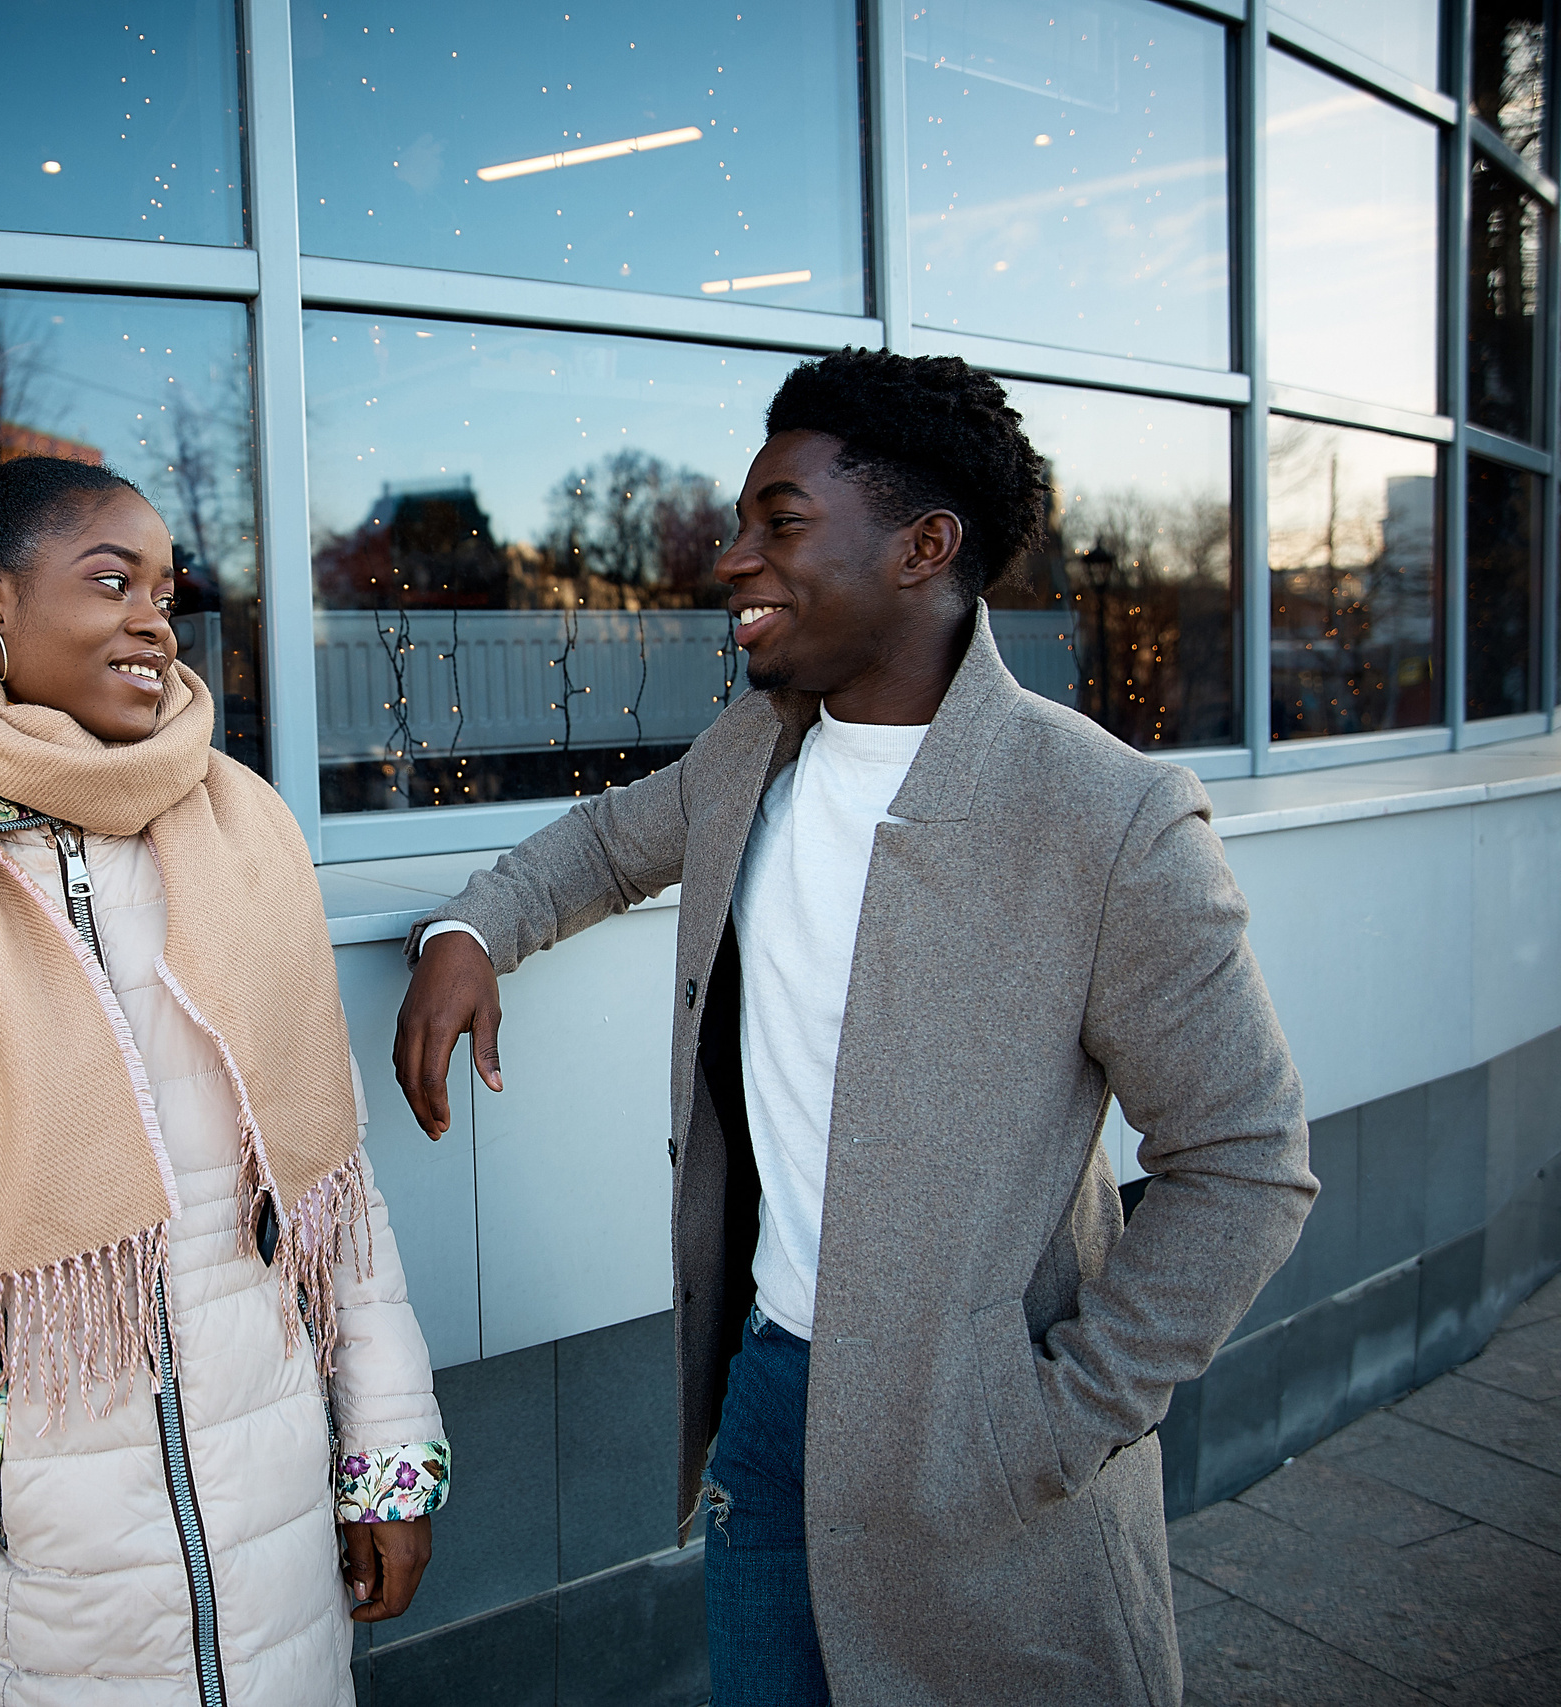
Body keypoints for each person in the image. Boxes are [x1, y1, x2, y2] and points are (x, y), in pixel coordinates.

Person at [392, 350, 1314, 1706]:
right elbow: (593, 845)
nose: (732, 559)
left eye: (781, 521)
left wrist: (1051, 1420)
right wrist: (465, 933)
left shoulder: (1106, 816)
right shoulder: (746, 752)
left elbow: (1245, 1158)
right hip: (767, 1400)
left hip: (978, 1439)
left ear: (923, 547)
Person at [0, 424, 445, 1707]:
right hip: (40, 1562)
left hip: (275, 1502)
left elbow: (332, 1189)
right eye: (111, 583)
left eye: (164, 591)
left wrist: (384, 1455)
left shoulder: (237, 831)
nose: (155, 623)